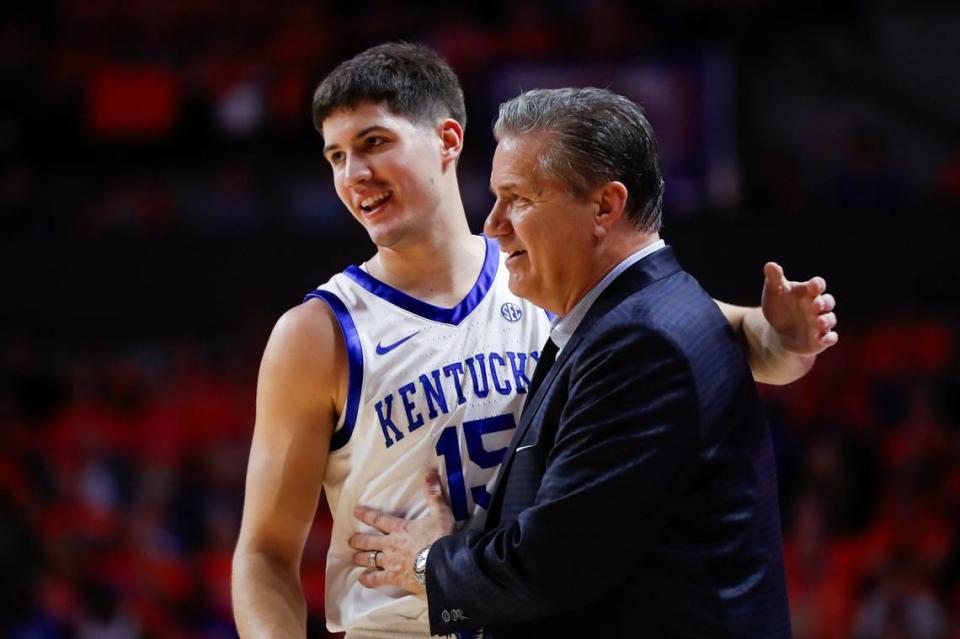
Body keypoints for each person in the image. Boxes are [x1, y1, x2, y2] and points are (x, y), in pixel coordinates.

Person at [232, 44, 837, 638]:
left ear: (447, 141)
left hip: (536, 607)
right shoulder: (318, 332)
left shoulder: (544, 270)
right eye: (335, 156)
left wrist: (782, 336)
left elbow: (715, 338)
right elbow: (263, 555)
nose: (352, 174)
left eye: (373, 143)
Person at [347, 87, 801, 638]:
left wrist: (429, 564)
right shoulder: (648, 310)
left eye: (517, 199)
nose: (492, 225)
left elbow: (551, 567)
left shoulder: (640, 343)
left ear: (604, 207)